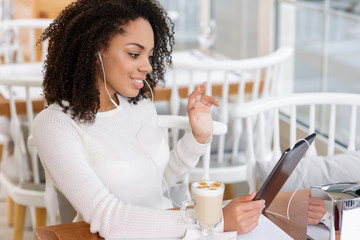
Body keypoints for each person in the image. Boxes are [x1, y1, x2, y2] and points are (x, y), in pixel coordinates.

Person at [33, 0, 265, 238]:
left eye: (150, 56)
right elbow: (107, 218)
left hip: (170, 232)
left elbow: (157, 181)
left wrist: (198, 137)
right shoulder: (55, 125)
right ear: (93, 51)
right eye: (134, 54)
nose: (147, 67)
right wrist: (208, 221)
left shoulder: (140, 106)